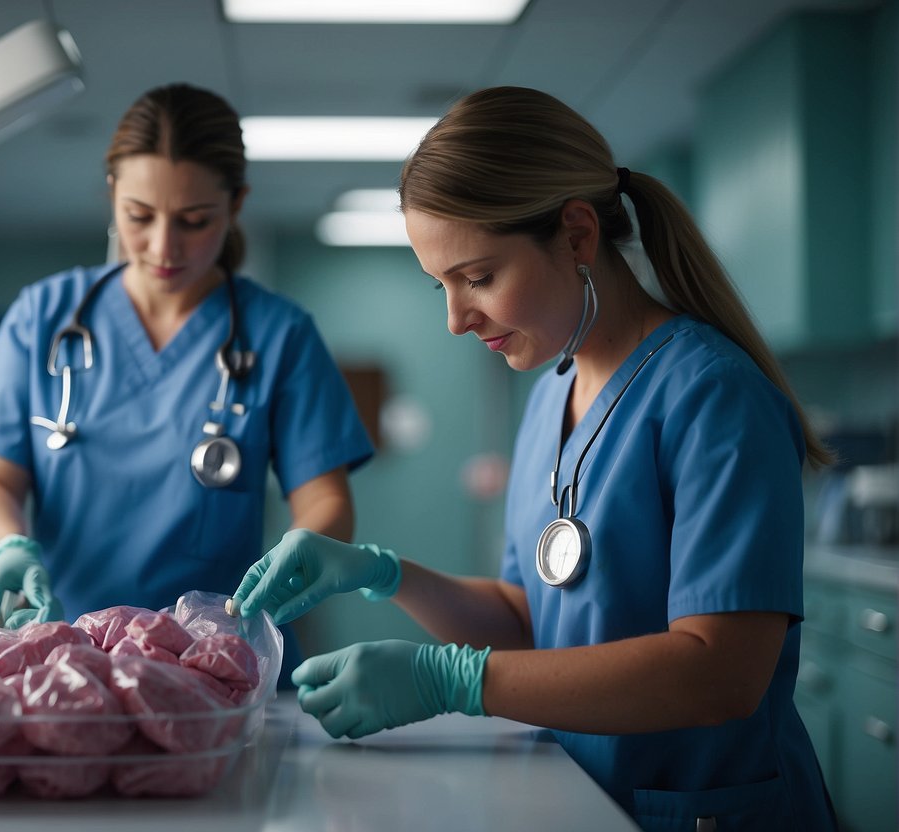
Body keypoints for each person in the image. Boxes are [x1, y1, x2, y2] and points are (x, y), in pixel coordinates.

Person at [230, 86, 837, 830]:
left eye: (478, 277)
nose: (455, 319)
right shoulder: (552, 389)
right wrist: (380, 572)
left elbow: (720, 672)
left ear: (577, 235)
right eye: (439, 285)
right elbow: (529, 621)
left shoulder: (712, 398)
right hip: (579, 800)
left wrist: (451, 680)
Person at [0, 83, 373, 682]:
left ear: (237, 204)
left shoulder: (279, 334)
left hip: (215, 662)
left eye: (195, 221)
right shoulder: (43, 317)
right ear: (112, 196)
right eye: (139, 217)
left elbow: (326, 498)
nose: (163, 246)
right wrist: (6, 547)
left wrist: (302, 553)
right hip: (64, 661)